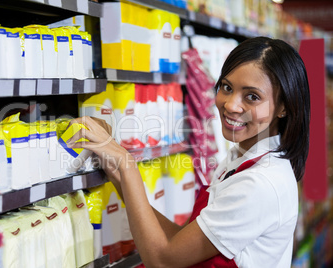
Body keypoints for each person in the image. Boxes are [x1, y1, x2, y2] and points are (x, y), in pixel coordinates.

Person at [66, 36, 310, 267]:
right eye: (226, 87)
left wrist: (125, 163)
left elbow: (162, 259)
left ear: (283, 108)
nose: (231, 105)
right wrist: (114, 164)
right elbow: (180, 240)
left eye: (252, 97)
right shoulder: (243, 159)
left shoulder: (259, 183)